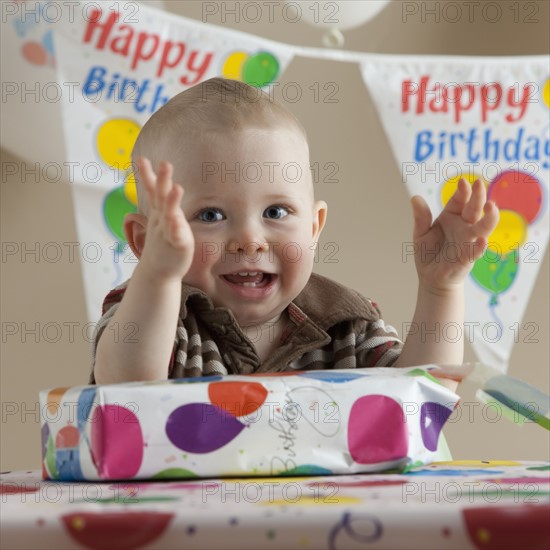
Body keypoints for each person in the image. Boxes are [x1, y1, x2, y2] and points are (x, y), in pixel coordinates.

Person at [92, 77, 499, 386]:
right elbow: (128, 389)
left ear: (314, 226)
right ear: (146, 242)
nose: (250, 240)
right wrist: (159, 277)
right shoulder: (152, 312)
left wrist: (440, 290)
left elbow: (422, 397)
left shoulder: (345, 325)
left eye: (275, 210)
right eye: (211, 215)